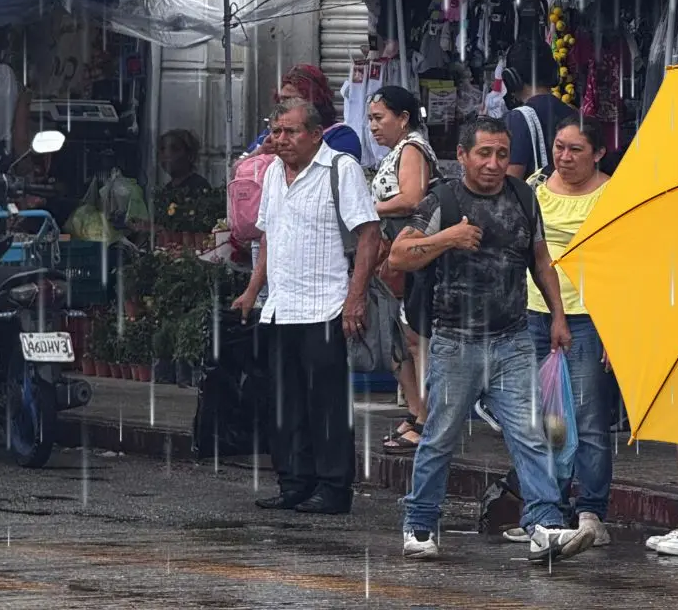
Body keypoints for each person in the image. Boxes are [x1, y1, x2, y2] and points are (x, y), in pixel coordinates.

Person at [388, 116, 592, 563]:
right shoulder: (443, 198)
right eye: (484, 153)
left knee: (531, 435)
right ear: (462, 156)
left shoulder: (523, 195)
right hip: (455, 342)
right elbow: (399, 255)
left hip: (513, 339)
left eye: (502, 153)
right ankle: (420, 523)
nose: (494, 163)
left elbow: (541, 260)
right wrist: (448, 238)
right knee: (440, 435)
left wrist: (558, 316)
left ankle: (545, 525)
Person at [231, 98, 380, 515]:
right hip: (281, 306)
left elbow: (370, 236)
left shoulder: (341, 169)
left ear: (315, 134)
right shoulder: (274, 173)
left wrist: (356, 297)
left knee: (326, 406)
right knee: (286, 403)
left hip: (326, 305)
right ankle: (295, 482)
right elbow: (269, 240)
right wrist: (252, 291)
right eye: (276, 131)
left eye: (290, 132)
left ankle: (333, 489)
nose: (281, 140)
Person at [495, 116, 614, 547]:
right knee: (543, 419)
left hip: (587, 316)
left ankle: (591, 511)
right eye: (559, 147)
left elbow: (625, 263)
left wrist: (615, 327)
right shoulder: (536, 188)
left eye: (576, 150)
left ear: (599, 153)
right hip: (533, 312)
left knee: (588, 420)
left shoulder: (612, 194)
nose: (564, 157)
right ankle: (547, 511)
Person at [367, 85, 437, 453]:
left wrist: (365, 207)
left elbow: (412, 198)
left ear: (404, 118)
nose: (373, 127)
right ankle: (415, 412)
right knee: (398, 340)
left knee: (413, 340)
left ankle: (425, 418)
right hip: (392, 253)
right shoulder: (399, 150)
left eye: (380, 118)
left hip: (410, 254)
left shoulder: (412, 148)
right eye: (371, 120)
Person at [247, 65, 362, 162]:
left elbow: (341, 175)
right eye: (282, 100)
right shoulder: (272, 134)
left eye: (293, 100)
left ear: (314, 101)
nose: (284, 106)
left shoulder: (340, 136)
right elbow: (236, 169)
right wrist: (260, 152)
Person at [503, 41, 575, 180]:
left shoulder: (518, 119)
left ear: (511, 79)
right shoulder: (573, 115)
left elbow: (511, 184)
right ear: (554, 73)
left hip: (534, 201)